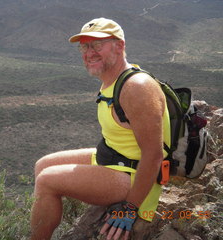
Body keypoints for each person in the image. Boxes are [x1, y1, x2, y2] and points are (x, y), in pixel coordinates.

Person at [30, 17, 171, 240]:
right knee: (43, 165)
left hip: (132, 175)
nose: (89, 53)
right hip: (115, 158)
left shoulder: (136, 88)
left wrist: (130, 208)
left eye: (97, 45)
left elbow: (153, 155)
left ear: (120, 46)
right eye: (84, 46)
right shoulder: (112, 79)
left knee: (47, 180)